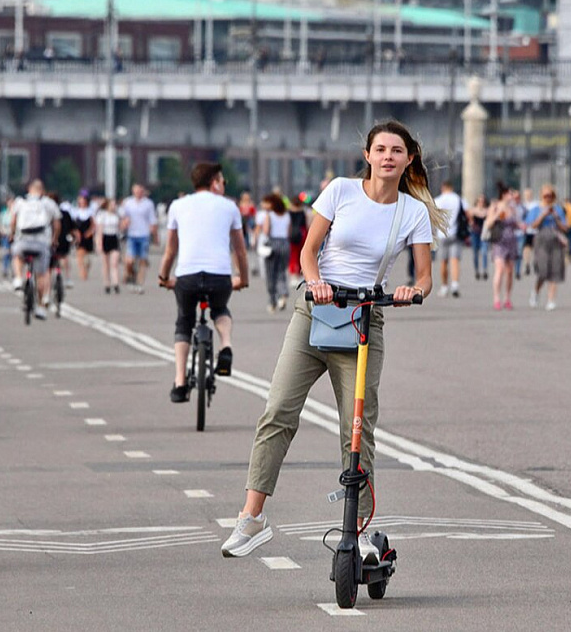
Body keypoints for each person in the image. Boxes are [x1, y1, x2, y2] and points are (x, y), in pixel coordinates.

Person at [219, 120, 442, 559]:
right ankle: (252, 517)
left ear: (409, 159)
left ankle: (357, 531)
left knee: (356, 430)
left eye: (397, 151)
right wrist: (316, 281)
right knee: (278, 410)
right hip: (316, 312)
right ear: (368, 155)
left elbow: (425, 276)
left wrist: (412, 291)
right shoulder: (340, 190)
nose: (388, 157)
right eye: (380, 149)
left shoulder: (412, 212)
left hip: (364, 319)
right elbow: (307, 251)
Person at [157, 163, 248, 403]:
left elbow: (169, 251)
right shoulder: (230, 207)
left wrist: (164, 278)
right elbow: (240, 252)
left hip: (186, 276)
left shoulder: (177, 206)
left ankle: (179, 382)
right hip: (219, 276)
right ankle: (226, 345)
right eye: (222, 181)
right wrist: (243, 280)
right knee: (220, 309)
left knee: (184, 320)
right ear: (214, 182)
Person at [10, 179, 63, 320]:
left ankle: (18, 278)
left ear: (29, 189)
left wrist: (12, 234)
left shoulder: (20, 202)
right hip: (41, 243)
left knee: (17, 256)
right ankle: (40, 306)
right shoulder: (48, 203)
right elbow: (57, 224)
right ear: (42, 190)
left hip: (23, 241)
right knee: (42, 274)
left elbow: (13, 221)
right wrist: (54, 239)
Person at [527, 185, 569, 310]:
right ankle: (535, 292)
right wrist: (543, 215)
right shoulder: (535, 209)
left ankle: (551, 300)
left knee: (555, 270)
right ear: (541, 196)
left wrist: (556, 217)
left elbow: (565, 227)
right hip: (541, 239)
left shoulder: (558, 209)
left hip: (556, 239)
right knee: (543, 271)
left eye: (550, 196)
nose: (548, 199)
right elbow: (532, 225)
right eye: (545, 196)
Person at [484, 184, 521, 310]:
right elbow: (488, 224)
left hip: (511, 242)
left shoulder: (512, 208)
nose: (512, 196)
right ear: (504, 195)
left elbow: (515, 223)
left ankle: (507, 298)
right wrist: (498, 213)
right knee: (499, 269)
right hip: (499, 242)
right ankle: (496, 298)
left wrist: (521, 225)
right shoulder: (495, 207)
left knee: (510, 271)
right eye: (510, 193)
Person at [256, 193, 292, 312]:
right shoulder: (287, 215)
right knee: (282, 271)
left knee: (271, 273)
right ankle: (283, 294)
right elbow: (289, 231)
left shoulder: (269, 215)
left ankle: (272, 301)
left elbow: (266, 231)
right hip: (285, 244)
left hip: (273, 244)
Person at [119, 184, 158, 293]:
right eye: (136, 191)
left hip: (144, 234)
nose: (138, 193)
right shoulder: (128, 202)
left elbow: (152, 220)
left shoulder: (148, 204)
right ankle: (131, 275)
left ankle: (140, 284)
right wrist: (123, 224)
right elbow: (123, 217)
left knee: (142, 260)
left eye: (140, 190)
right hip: (131, 234)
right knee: (129, 261)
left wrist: (155, 236)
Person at [433, 180, 466, 297]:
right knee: (454, 260)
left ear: (443, 187)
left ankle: (444, 286)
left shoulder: (438, 200)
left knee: (443, 261)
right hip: (455, 233)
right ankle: (455, 284)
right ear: (451, 188)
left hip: (442, 234)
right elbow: (466, 213)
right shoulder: (458, 199)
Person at [96, 198, 123, 294]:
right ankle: (107, 283)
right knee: (105, 264)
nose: (114, 206)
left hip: (114, 238)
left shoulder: (117, 215)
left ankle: (115, 283)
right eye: (112, 204)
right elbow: (100, 230)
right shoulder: (102, 215)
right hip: (105, 238)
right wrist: (99, 243)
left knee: (114, 263)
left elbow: (120, 228)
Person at [71, 192, 97, 282]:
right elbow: (73, 225)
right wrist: (75, 233)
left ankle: (86, 268)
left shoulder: (90, 212)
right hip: (79, 235)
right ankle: (82, 272)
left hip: (88, 235)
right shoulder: (76, 212)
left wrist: (90, 232)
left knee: (88, 259)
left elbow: (94, 225)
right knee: (80, 255)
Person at [468, 195, 490, 280]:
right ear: (477, 202)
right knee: (475, 254)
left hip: (484, 234)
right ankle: (477, 270)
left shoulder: (487, 211)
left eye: (482, 201)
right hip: (475, 233)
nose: (481, 203)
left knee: (484, 252)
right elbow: (469, 220)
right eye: (479, 201)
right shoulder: (472, 211)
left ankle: (484, 270)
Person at [0, 196, 15, 278]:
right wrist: (2, 231)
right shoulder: (4, 213)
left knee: (14, 254)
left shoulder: (16, 213)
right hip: (5, 235)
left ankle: (14, 270)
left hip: (14, 236)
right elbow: (0, 223)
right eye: (9, 202)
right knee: (6, 253)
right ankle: (5, 268)